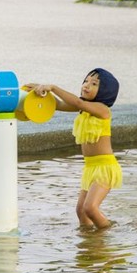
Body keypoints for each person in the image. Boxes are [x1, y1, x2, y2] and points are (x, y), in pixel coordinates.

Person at [25, 68, 121, 230]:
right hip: (90, 168)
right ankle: (89, 242)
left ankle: (109, 232)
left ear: (105, 91)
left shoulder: (102, 110)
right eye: (86, 81)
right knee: (81, 211)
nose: (86, 85)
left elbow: (77, 102)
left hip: (105, 167)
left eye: (94, 83)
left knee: (90, 208)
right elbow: (57, 105)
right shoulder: (84, 107)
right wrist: (39, 92)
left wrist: (53, 87)